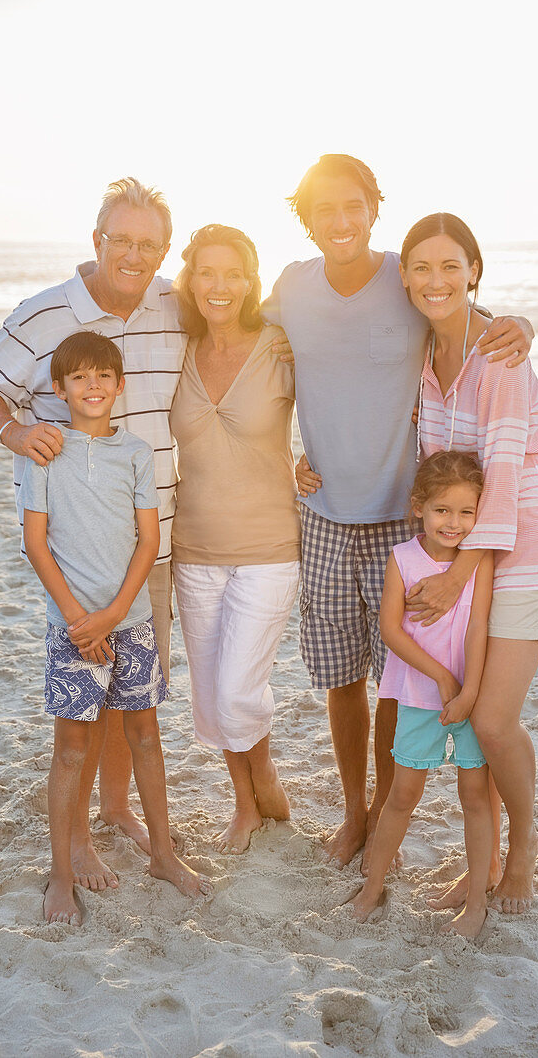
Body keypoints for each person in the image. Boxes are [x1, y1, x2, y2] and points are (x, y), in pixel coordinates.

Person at [262, 153, 534, 870]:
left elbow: (461, 320)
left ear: (373, 209)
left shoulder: (408, 279)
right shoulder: (289, 287)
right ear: (306, 217)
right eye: (323, 209)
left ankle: (386, 812)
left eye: (352, 205)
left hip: (402, 521)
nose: (340, 220)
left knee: (396, 678)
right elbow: (242, 339)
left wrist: (518, 322)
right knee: (341, 676)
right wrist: (288, 452)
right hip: (321, 513)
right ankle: (355, 812)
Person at [0, 178, 186, 889]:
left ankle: (118, 811)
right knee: (82, 716)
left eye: (147, 244)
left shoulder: (175, 303)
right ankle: (78, 847)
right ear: (96, 241)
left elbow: (247, 314)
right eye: (120, 240)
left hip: (150, 541)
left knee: (130, 705)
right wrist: (16, 430)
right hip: (74, 556)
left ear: (163, 251)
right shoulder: (41, 316)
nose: (133, 254)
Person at [399, 211, 538, 913]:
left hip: (523, 551)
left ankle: (524, 849)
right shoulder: (420, 356)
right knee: (472, 722)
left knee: (494, 721)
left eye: (450, 266)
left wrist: (451, 576)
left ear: (473, 271)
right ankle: (489, 858)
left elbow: (500, 480)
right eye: (420, 267)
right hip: (464, 553)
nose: (434, 280)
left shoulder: (500, 358)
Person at [21, 331, 210, 924]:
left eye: (103, 376)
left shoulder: (136, 452)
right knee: (73, 750)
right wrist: (81, 620)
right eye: (79, 377)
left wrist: (112, 613)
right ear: (60, 388)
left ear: (120, 384)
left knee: (147, 739)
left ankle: (163, 854)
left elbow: (150, 540)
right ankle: (60, 875)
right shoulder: (44, 453)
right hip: (71, 630)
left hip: (130, 624)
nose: (92, 387)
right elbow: (35, 543)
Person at [170, 225, 300, 854]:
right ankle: (246, 802)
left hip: (270, 546)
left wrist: (313, 461)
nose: (218, 287)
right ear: (189, 278)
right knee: (211, 691)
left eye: (233, 274)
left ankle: (261, 784)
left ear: (251, 281)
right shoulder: (178, 345)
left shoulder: (280, 343)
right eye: (206, 272)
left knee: (237, 688)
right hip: (193, 548)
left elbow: (345, 383)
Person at [349, 451, 494, 939]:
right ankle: (372, 888)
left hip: (471, 695)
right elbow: (391, 630)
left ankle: (475, 903)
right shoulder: (403, 559)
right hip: (417, 694)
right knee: (401, 795)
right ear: (418, 508)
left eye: (466, 512)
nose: (454, 523)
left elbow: (477, 628)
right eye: (442, 510)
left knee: (475, 797)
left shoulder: (480, 562)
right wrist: (442, 679)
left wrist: (470, 689)